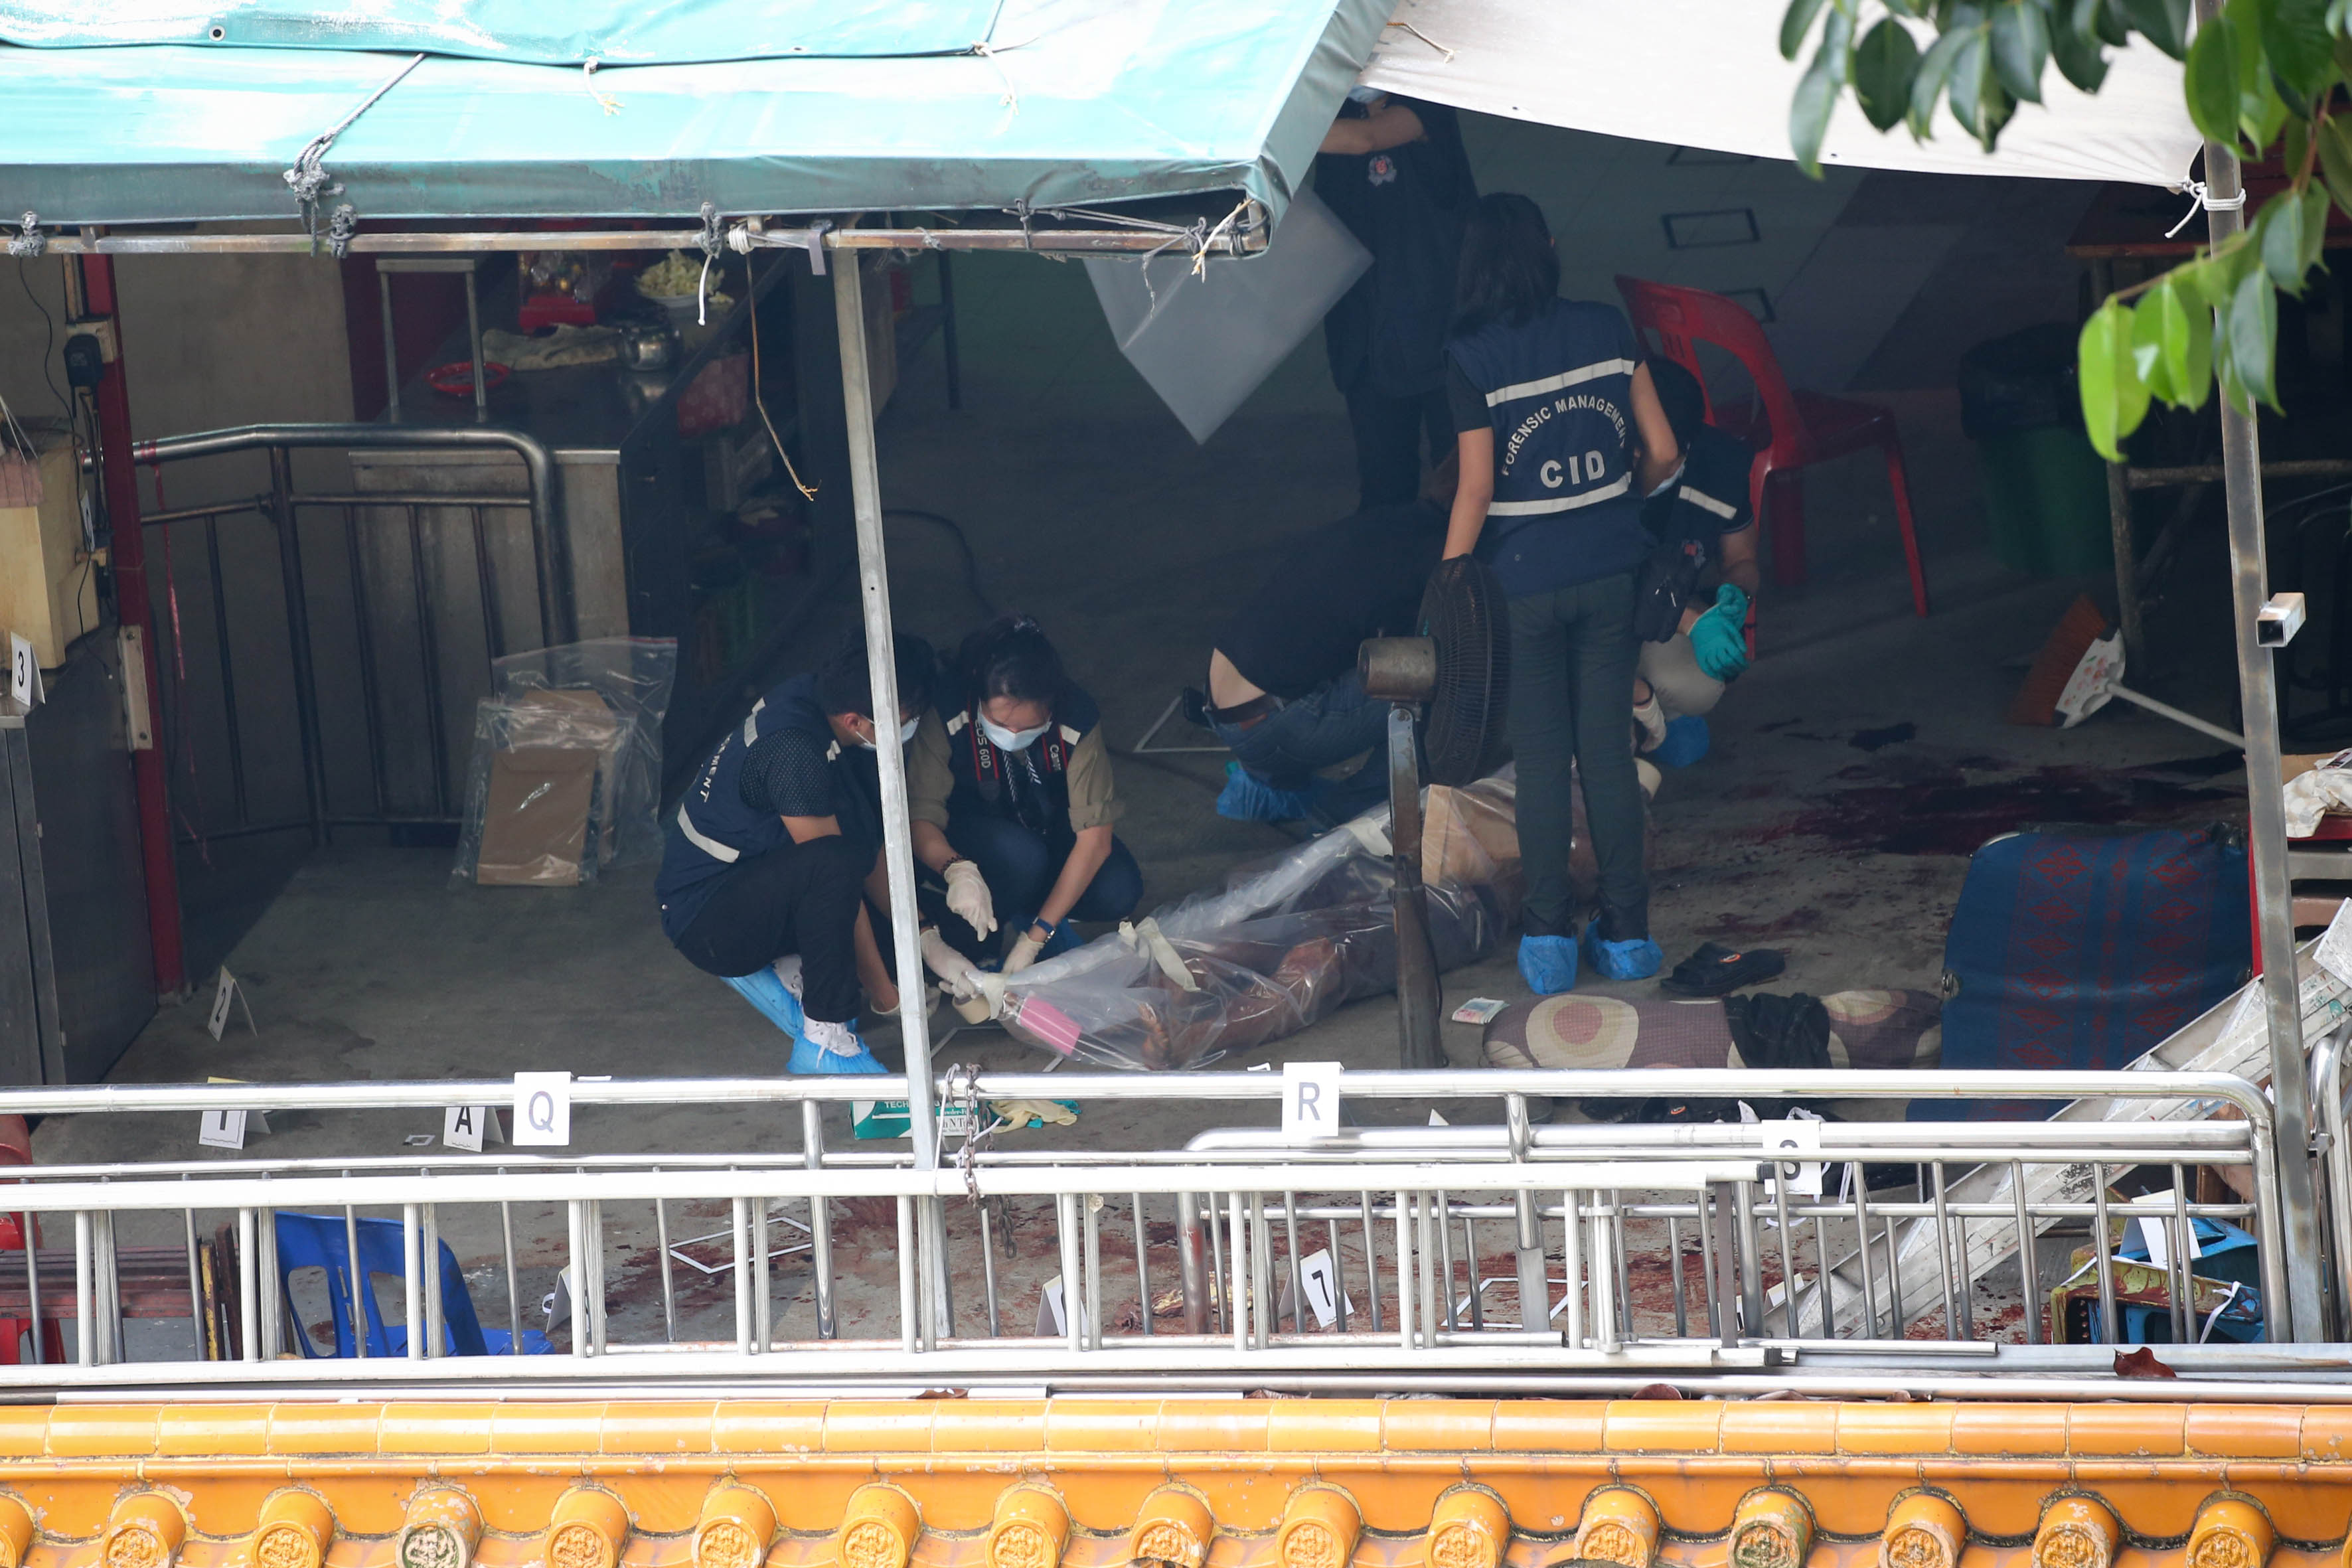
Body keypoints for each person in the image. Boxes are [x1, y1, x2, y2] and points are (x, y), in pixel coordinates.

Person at [1442, 193, 1681, 993]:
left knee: (1543, 765)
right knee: (1608, 757)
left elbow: (1475, 489)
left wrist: (1449, 585)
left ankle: (1547, 944)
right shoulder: (1606, 327)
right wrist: (1619, 500)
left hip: (1524, 585)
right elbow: (1664, 450)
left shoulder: (1471, 356)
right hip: (1611, 571)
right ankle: (1628, 935)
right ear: (1547, 247)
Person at [655, 629, 939, 1074]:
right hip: (707, 920)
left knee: (901, 934)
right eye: (907, 715)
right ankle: (824, 1040)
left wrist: (925, 939)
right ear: (855, 720)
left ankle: (795, 964)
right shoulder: (794, 753)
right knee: (834, 866)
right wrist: (886, 994)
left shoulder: (816, 701)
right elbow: (836, 874)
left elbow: (867, 841)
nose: (911, 723)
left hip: (758, 880)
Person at [1199, 456, 1452, 824]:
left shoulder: (1389, 521)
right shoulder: (1431, 554)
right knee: (1444, 679)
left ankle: (1272, 786)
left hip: (1224, 705)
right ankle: (1345, 815)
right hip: (1273, 725)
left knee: (1337, 646)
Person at [907, 615, 1142, 975]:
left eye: (1028, 727)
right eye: (1001, 724)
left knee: (1118, 888)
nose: (1013, 733)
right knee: (1020, 858)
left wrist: (1037, 937)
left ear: (1051, 706)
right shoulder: (950, 707)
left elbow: (1094, 840)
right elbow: (919, 816)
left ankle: (1036, 918)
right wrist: (957, 870)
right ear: (981, 696)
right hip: (974, 838)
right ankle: (983, 931)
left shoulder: (1076, 717)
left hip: (1046, 828)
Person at [1318, 87, 1478, 509]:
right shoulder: (1328, 108)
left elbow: (1366, 139)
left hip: (1444, 338)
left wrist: (1266, 134)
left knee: (1462, 483)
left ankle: (1462, 574)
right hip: (1365, 337)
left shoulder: (1427, 99)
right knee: (1384, 491)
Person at [1630, 356, 1761, 769]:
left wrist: (1735, 595)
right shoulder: (1595, 467)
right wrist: (1691, 621)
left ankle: (1649, 722)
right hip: (1590, 623)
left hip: (1657, 622)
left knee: (1698, 688)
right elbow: (1599, 584)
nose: (1636, 460)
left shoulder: (1721, 465)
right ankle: (1635, 720)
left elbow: (1742, 558)